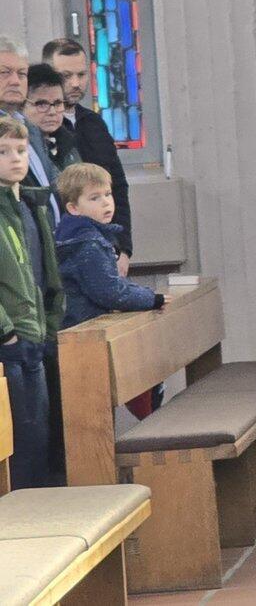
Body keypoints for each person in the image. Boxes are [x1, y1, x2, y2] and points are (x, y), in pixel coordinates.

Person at [0, 117, 65, 489]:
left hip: (36, 334)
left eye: (21, 151)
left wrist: (51, 321)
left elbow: (46, 271)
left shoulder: (31, 204)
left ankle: (43, 509)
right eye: (3, 151)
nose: (15, 159)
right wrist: (5, 332)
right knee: (19, 442)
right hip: (9, 340)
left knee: (40, 435)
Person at [45, 38, 132, 269]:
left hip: (107, 245)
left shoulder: (94, 123)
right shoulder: (44, 127)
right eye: (66, 76)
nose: (75, 83)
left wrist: (123, 249)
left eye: (81, 75)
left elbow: (118, 187)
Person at [55, 163, 163, 329]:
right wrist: (151, 299)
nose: (106, 202)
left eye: (108, 194)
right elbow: (109, 291)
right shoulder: (88, 244)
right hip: (84, 327)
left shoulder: (92, 237)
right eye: (94, 198)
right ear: (74, 208)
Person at [0, 38, 60, 222]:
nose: (15, 81)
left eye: (22, 74)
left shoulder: (30, 128)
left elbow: (53, 184)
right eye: (5, 73)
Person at [24, 64, 80, 171]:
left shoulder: (69, 143)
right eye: (42, 104)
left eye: (58, 103)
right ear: (21, 105)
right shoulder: (16, 149)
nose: (52, 112)